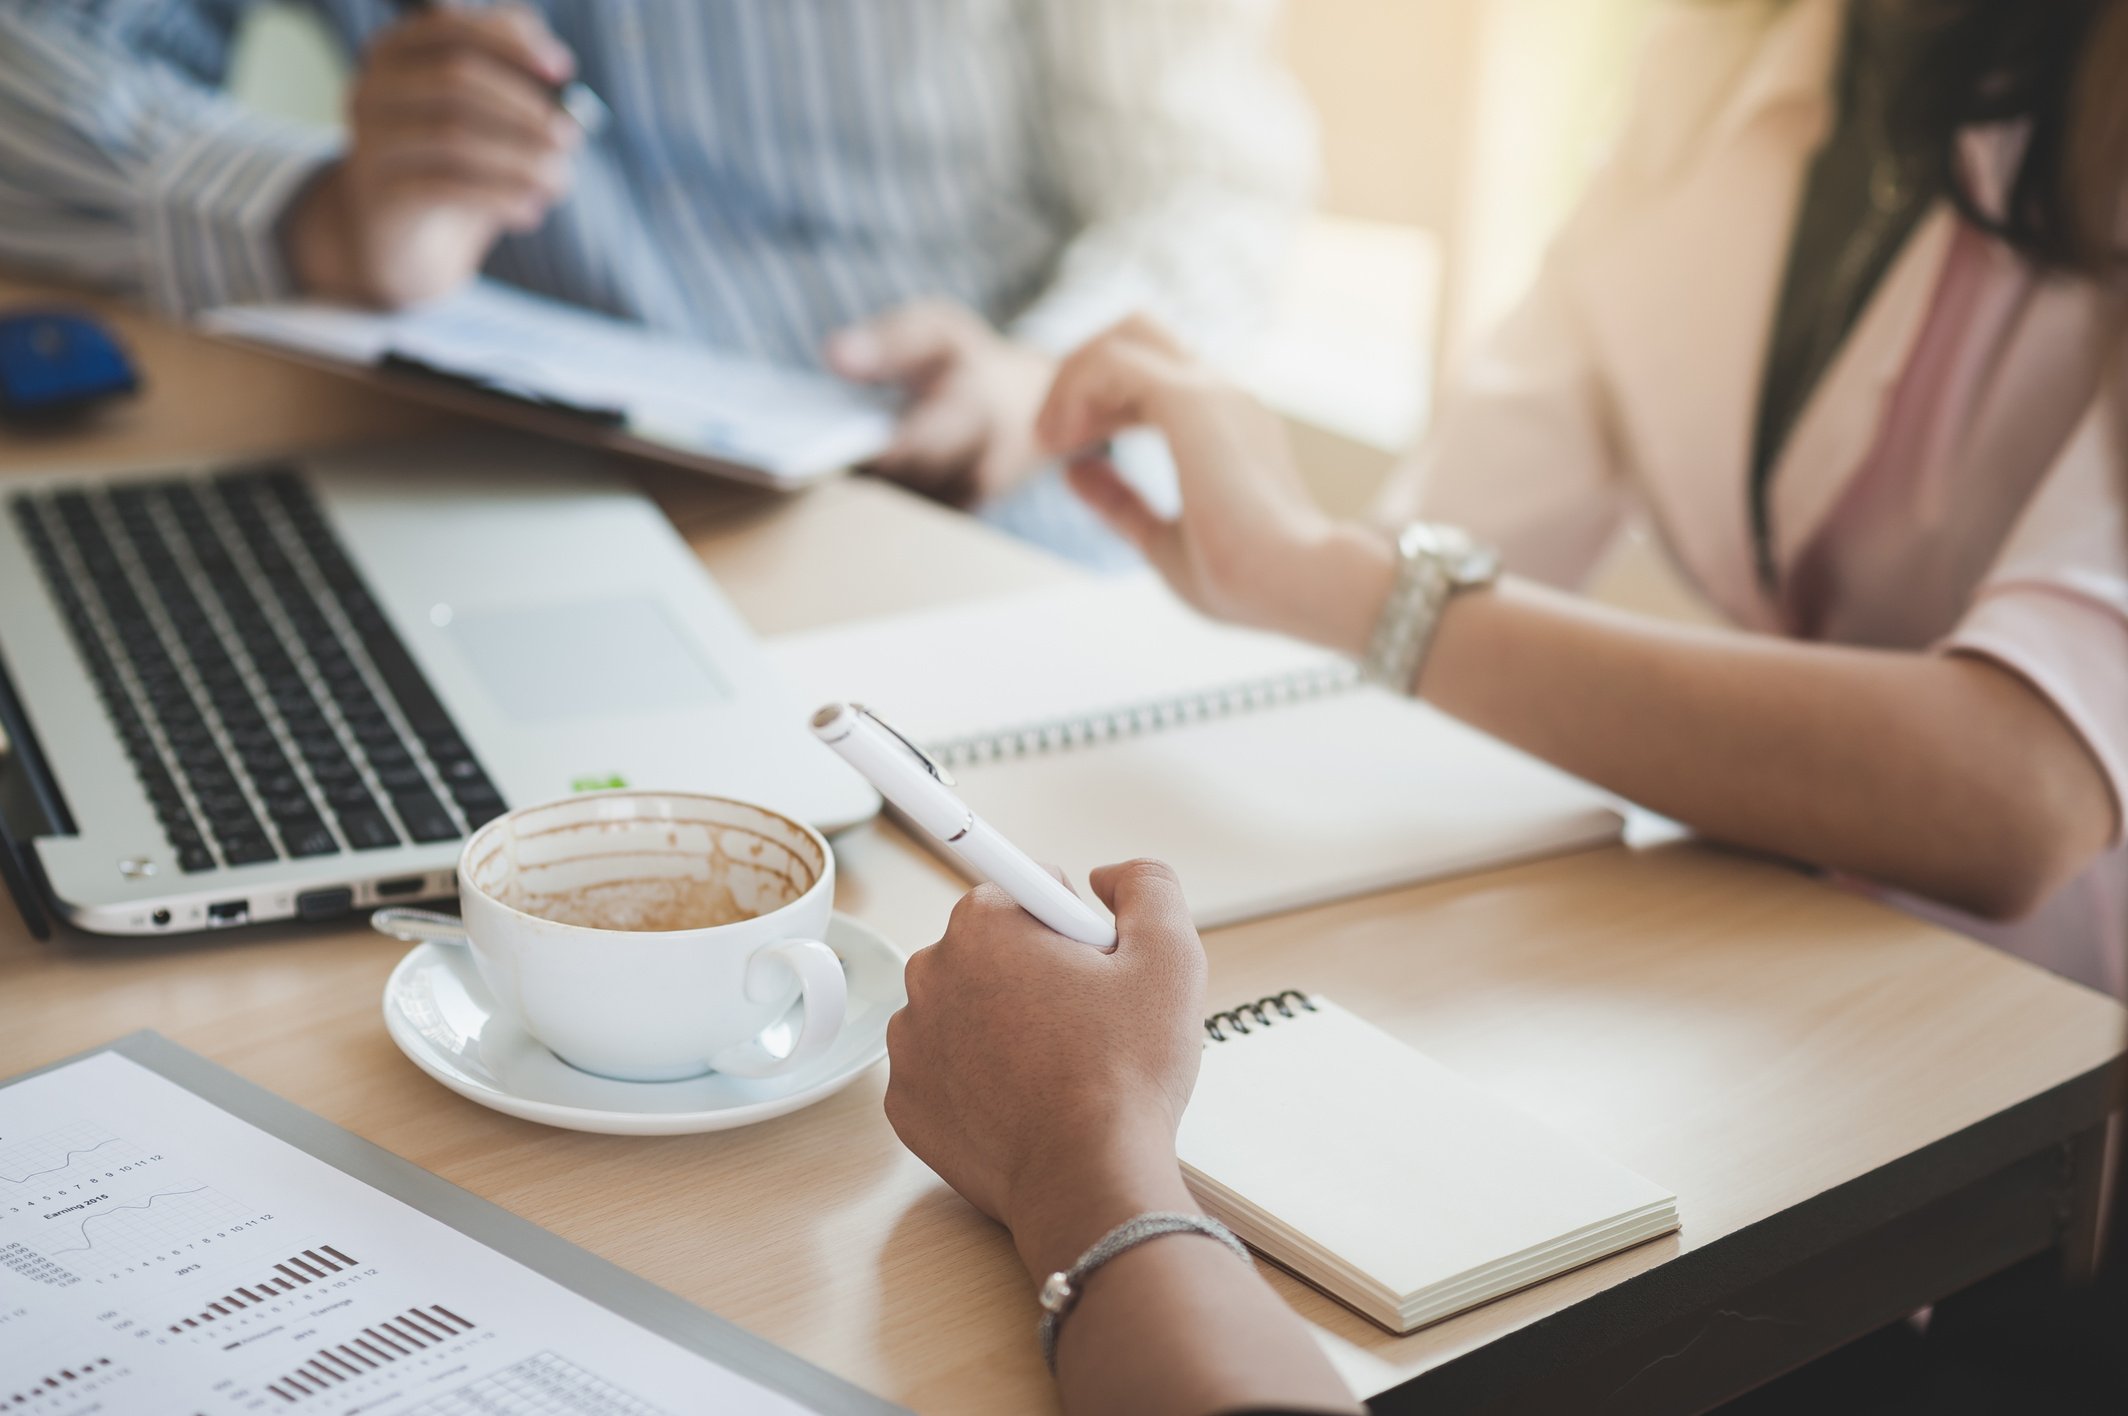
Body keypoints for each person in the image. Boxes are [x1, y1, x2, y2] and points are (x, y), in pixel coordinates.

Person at [886, 2, 2128, 1411]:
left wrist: (1326, 576)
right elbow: (1472, 525)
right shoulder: (1742, 59)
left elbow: (2023, 786)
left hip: (2042, 1083)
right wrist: (1291, 564)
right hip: (1756, 977)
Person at [0, 0, 1312, 561]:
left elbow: (1215, 180)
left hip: (979, 540)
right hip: (493, 513)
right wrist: (312, 213)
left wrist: (1048, 379)